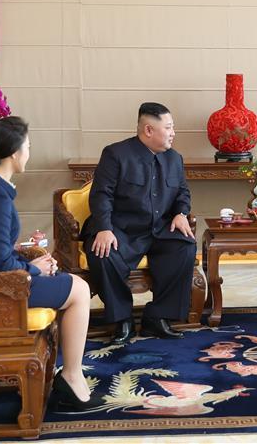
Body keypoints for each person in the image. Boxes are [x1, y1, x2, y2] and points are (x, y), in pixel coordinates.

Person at [0, 116, 98, 410]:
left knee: (75, 285)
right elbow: (1, 264)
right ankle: (70, 375)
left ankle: (67, 371)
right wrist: (35, 269)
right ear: (15, 153)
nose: (29, 152)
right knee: (80, 290)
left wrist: (29, 259)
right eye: (28, 146)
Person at [80, 102, 197, 344]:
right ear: (148, 130)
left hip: (159, 229)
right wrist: (104, 228)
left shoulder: (175, 158)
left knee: (184, 247)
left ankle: (158, 317)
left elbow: (182, 192)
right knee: (102, 253)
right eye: (169, 128)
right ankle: (122, 319)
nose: (173, 133)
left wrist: (181, 213)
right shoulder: (115, 154)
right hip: (121, 228)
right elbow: (101, 194)